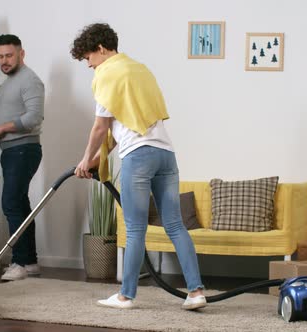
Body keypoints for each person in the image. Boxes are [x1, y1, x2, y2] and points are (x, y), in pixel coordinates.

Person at [70, 23, 206, 310]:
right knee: (175, 225)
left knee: (134, 230)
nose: (89, 65)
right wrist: (95, 160)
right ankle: (196, 292)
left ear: (101, 49)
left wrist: (85, 159)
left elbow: (100, 127)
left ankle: (126, 296)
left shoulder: (108, 73)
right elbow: (127, 123)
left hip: (139, 156)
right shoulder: (139, 69)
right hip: (165, 153)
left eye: (88, 58)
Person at [0, 34, 45, 281]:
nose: (4, 61)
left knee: (11, 203)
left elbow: (34, 118)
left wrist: (0, 129)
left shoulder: (30, 81)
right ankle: (30, 261)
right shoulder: (9, 83)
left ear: (21, 54)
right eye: (1, 56)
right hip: (12, 151)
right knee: (20, 205)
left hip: (24, 150)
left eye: (9, 55)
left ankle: (19, 263)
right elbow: (6, 114)